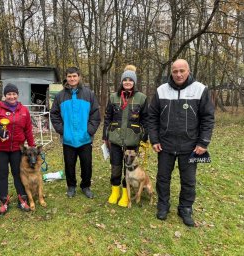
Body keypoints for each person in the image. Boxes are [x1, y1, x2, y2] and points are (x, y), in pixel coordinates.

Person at [148, 59, 215, 227]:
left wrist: (203, 142)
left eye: (182, 71)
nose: (178, 74)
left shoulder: (200, 89)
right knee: (163, 178)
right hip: (165, 144)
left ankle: (185, 208)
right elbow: (152, 117)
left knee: (189, 180)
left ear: (188, 71)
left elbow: (208, 118)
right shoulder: (161, 90)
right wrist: (154, 139)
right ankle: (163, 205)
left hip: (191, 146)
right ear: (171, 72)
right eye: (175, 71)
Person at [50, 67, 101, 199]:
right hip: (68, 139)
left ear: (79, 77)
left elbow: (95, 115)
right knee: (69, 164)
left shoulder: (89, 94)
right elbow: (54, 115)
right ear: (66, 78)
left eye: (74, 76)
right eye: (69, 76)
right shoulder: (60, 96)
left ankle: (86, 186)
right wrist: (62, 130)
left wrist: (89, 131)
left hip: (85, 139)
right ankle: (71, 186)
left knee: (86, 165)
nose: (72, 79)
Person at [102, 65, 148, 207]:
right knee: (115, 167)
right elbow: (107, 117)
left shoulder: (142, 98)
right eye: (125, 80)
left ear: (134, 82)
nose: (127, 82)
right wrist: (105, 136)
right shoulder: (113, 97)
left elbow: (146, 119)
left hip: (132, 141)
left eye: (130, 80)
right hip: (115, 139)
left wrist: (144, 139)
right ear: (121, 82)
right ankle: (115, 191)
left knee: (128, 167)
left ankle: (125, 193)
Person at [0, 83, 35, 214]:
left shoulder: (24, 110)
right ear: (5, 95)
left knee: (18, 174)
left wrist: (32, 145)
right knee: (2, 174)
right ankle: (4, 201)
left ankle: (22, 199)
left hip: (17, 149)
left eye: (14, 94)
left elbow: (28, 129)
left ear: (17, 95)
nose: (11, 96)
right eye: (9, 94)